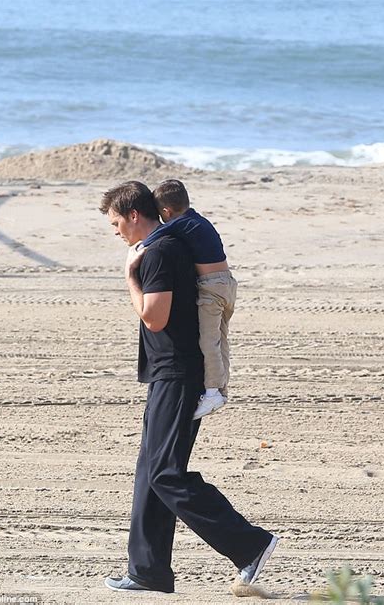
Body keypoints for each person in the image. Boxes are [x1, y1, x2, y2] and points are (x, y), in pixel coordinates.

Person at [99, 180, 278, 595]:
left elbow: (153, 317)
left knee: (164, 473)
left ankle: (250, 544)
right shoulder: (163, 247)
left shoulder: (158, 253)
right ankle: (148, 571)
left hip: (178, 375)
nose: (115, 231)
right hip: (169, 373)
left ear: (134, 216)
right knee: (151, 471)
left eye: (115, 222)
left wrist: (130, 276)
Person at [140, 179, 237, 420]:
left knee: (208, 340)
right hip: (226, 283)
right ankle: (220, 388)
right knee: (220, 337)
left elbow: (153, 238)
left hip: (212, 288)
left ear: (166, 211)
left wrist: (139, 252)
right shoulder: (197, 220)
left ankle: (213, 392)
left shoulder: (180, 224)